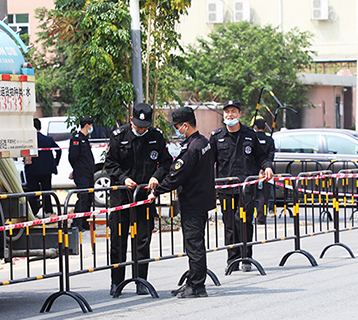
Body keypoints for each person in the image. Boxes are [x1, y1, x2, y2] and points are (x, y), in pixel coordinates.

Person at [105, 103, 172, 297]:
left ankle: (141, 281)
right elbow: (110, 163)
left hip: (144, 196)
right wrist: (123, 178)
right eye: (137, 125)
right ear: (131, 120)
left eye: (144, 126)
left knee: (142, 240)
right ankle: (116, 282)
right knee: (118, 240)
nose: (140, 129)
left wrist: (156, 176)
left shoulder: (156, 137)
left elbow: (166, 162)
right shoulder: (119, 136)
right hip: (122, 196)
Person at [148, 107, 216, 298]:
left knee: (194, 245)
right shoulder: (204, 142)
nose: (177, 130)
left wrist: (156, 191)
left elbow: (176, 176)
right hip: (201, 199)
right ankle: (193, 280)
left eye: (178, 127)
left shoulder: (191, 148)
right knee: (195, 244)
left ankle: (196, 286)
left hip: (193, 202)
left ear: (185, 125)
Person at [209, 100, 274, 273]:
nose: (230, 115)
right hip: (226, 189)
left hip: (246, 189)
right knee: (230, 224)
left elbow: (262, 156)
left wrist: (267, 166)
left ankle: (246, 257)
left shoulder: (249, 135)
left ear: (240, 114)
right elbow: (209, 162)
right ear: (223, 114)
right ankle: (232, 260)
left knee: (244, 221)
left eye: (233, 111)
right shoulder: (216, 136)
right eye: (227, 112)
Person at [25, 118, 61, 217]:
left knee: (33, 192)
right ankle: (48, 211)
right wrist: (54, 162)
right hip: (46, 170)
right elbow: (59, 150)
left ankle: (32, 213)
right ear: (40, 127)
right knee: (46, 191)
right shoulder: (48, 139)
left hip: (32, 171)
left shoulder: (28, 141)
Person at [68, 116, 95, 231]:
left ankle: (84, 222)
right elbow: (73, 157)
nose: (91, 128)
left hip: (88, 174)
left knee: (89, 198)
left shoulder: (85, 138)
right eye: (91, 125)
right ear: (86, 125)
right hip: (82, 174)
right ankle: (76, 223)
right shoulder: (77, 139)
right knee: (83, 198)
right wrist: (76, 170)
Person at [253, 118, 275, 224]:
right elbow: (271, 155)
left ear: (255, 127)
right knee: (264, 196)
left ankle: (248, 216)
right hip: (267, 171)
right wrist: (266, 167)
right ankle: (261, 217)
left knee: (250, 195)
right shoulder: (270, 140)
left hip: (253, 172)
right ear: (265, 127)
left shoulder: (252, 138)